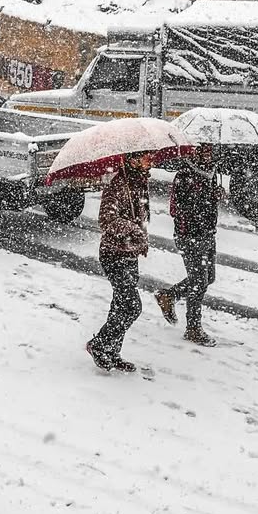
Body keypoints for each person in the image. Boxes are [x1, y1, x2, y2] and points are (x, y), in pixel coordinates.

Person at [86, 152, 153, 374]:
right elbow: (106, 220)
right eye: (145, 158)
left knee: (119, 305)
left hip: (129, 254)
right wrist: (132, 229)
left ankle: (112, 353)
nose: (149, 162)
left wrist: (140, 239)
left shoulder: (139, 183)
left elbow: (140, 216)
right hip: (113, 254)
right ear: (133, 160)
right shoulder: (118, 185)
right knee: (132, 306)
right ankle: (99, 345)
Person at [155, 147, 225, 347]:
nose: (207, 155)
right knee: (198, 281)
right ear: (193, 153)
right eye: (203, 151)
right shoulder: (185, 175)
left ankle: (169, 295)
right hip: (190, 236)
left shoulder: (211, 173)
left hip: (208, 233)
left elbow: (207, 203)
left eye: (210, 152)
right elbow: (177, 209)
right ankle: (193, 328)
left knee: (208, 278)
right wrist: (208, 197)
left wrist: (215, 194)